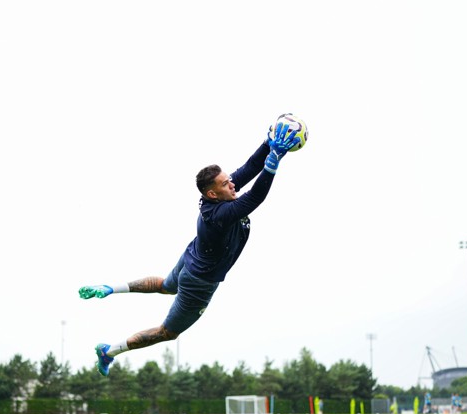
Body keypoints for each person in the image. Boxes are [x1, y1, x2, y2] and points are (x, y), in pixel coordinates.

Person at [78, 122, 301, 375]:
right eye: (226, 183)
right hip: (200, 281)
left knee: (165, 286)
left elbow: (250, 168)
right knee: (167, 332)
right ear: (213, 193)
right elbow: (255, 197)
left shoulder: (216, 196)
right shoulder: (222, 213)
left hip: (191, 258)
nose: (232, 184)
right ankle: (109, 351)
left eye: (230, 180)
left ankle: (110, 289)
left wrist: (267, 143)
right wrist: (273, 162)